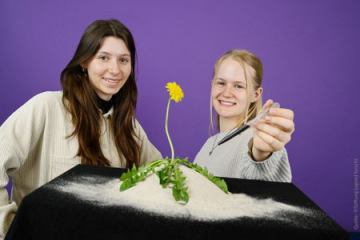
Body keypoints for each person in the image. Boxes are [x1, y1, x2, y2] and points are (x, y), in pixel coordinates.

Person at [0, 19, 162, 238]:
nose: (114, 69)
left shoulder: (129, 127)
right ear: (84, 61)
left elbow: (163, 176)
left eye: (123, 60)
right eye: (103, 57)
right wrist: (10, 227)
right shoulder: (46, 107)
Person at [193, 49, 294, 183]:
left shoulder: (255, 141)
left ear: (255, 95)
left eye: (239, 86)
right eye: (221, 83)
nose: (227, 93)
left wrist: (262, 154)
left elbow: (268, 184)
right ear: (212, 85)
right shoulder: (209, 144)